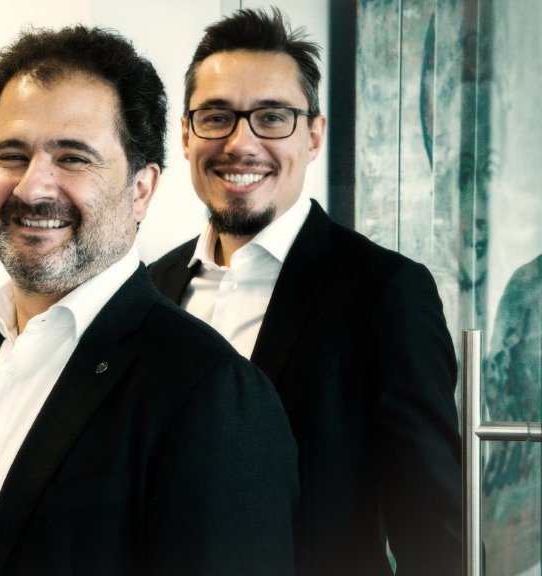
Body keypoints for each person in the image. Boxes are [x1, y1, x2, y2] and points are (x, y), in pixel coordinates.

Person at [0, 25, 298, 576]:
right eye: (12, 155)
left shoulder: (212, 391)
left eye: (73, 158)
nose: (32, 187)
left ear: (141, 190)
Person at [148, 8, 462, 576]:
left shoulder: (385, 292)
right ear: (186, 136)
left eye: (272, 117)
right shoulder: (150, 289)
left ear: (313, 136)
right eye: (216, 117)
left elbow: (434, 531)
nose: (240, 143)